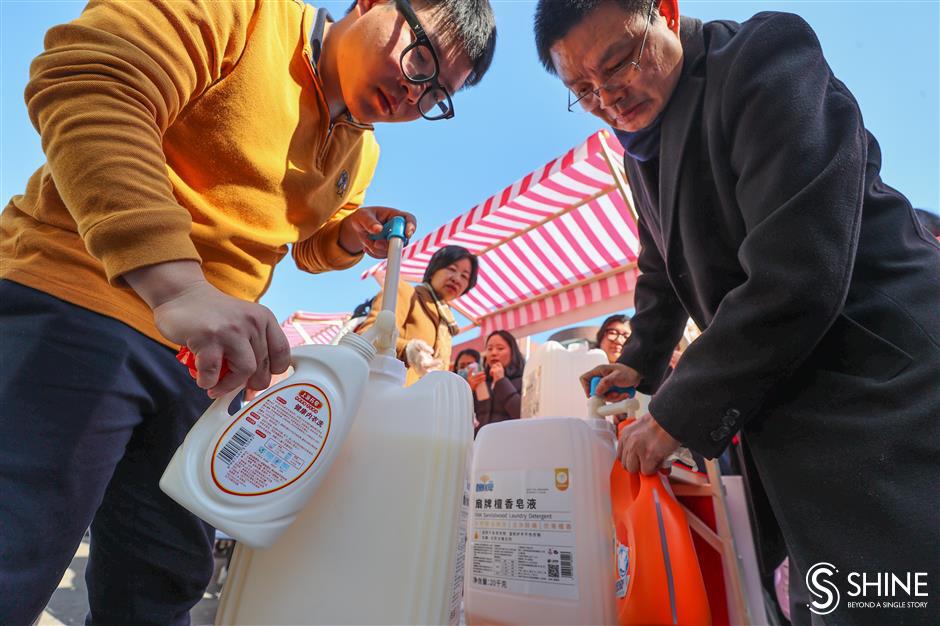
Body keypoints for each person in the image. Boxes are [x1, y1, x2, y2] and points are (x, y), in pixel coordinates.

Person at [0, 0, 496, 623]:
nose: (413, 93)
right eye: (420, 59)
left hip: (204, 362)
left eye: (436, 96)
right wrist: (178, 287)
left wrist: (344, 236)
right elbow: (92, 75)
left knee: (165, 579)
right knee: (16, 548)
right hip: (80, 299)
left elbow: (300, 244)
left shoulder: (360, 154)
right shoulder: (248, 14)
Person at [535, 1, 940, 624]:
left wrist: (674, 412)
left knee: (898, 597)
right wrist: (639, 363)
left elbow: (798, 266)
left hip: (880, 378)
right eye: (583, 90)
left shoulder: (762, 57)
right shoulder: (642, 151)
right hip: (790, 400)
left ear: (664, 13)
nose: (609, 97)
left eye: (617, 64)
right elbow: (661, 269)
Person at [358, 245, 478, 385]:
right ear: (434, 269)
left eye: (464, 276)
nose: (457, 279)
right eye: (452, 269)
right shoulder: (406, 292)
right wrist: (408, 349)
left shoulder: (447, 322)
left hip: (424, 402)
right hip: (389, 394)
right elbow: (367, 336)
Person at [474, 330, 525, 434]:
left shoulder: (523, 381)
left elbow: (522, 415)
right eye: (489, 349)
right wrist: (469, 390)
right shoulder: (482, 383)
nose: (493, 353)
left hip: (509, 445)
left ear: (513, 352)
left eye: (500, 348)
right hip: (480, 445)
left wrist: (501, 381)